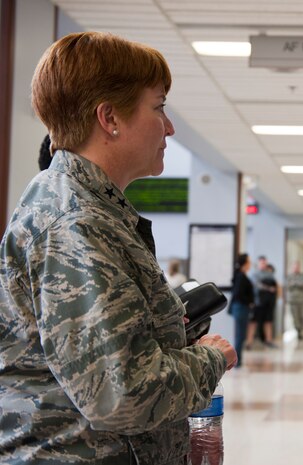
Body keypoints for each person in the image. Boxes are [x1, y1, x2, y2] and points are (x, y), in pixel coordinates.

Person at [0, 31, 237, 464]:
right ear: (110, 118)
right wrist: (210, 359)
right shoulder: (75, 223)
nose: (169, 126)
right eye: (158, 107)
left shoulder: (91, 210)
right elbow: (120, 393)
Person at [230, 253, 255, 367]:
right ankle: (236, 360)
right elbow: (239, 294)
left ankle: (238, 359)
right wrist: (249, 302)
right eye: (249, 262)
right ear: (244, 264)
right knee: (240, 335)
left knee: (241, 335)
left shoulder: (242, 275)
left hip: (241, 308)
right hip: (241, 308)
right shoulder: (240, 276)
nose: (250, 264)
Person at [246, 263, 278, 349]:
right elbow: (256, 285)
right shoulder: (255, 274)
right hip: (257, 303)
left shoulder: (270, 275)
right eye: (261, 262)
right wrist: (268, 288)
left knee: (268, 322)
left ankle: (269, 340)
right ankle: (249, 343)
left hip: (268, 304)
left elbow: (275, 288)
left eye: (264, 263)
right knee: (253, 322)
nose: (263, 265)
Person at [286, 261, 303, 340]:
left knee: (302, 316)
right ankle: (298, 331)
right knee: (295, 317)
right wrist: (297, 284)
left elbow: (302, 284)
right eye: (295, 267)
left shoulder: (302, 276)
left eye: (297, 267)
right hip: (293, 300)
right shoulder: (289, 276)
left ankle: (301, 330)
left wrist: (295, 284)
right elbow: (288, 285)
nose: (296, 268)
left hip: (301, 300)